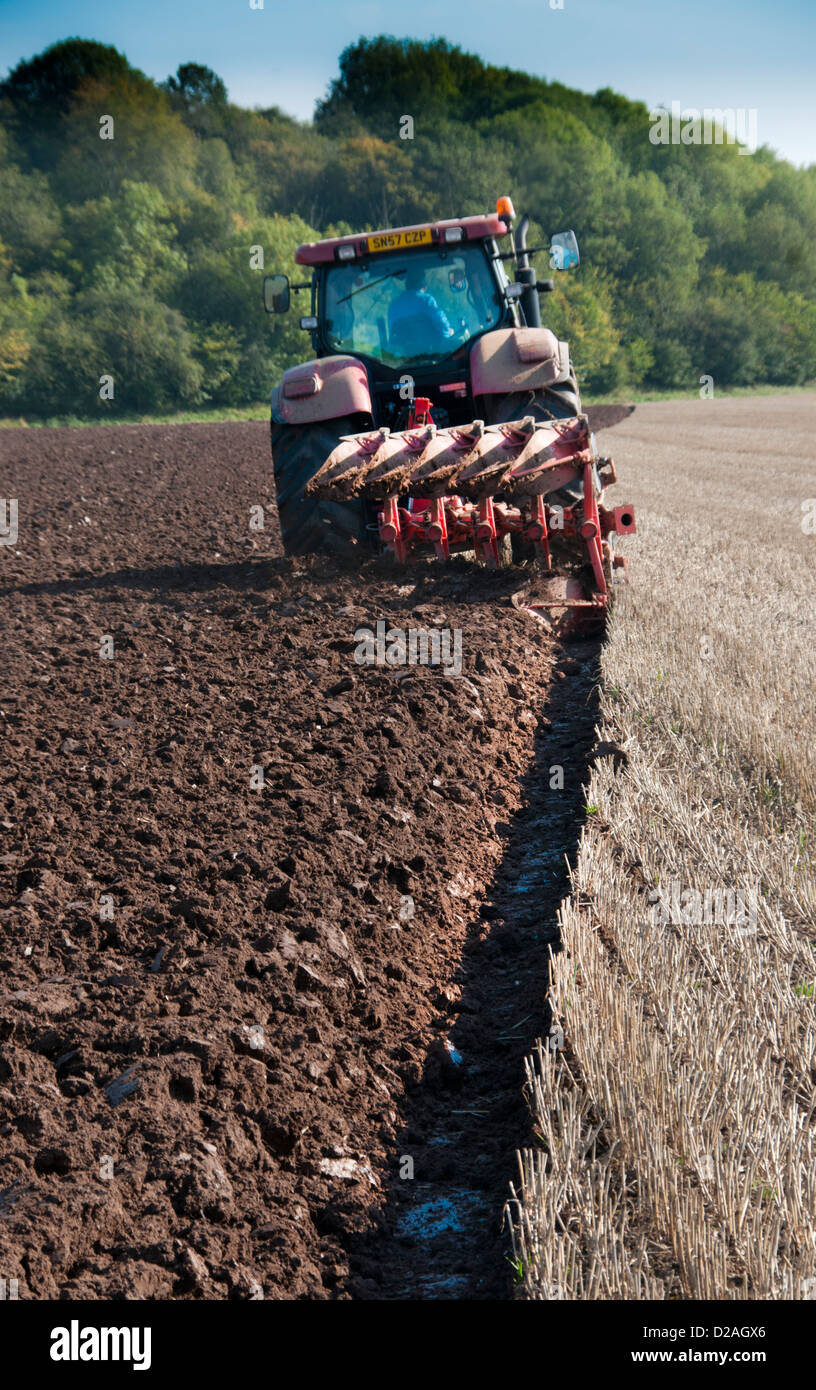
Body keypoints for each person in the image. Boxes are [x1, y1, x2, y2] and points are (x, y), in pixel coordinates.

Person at [388, 261, 454, 342]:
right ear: (425, 286)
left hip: (402, 352)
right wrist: (449, 332)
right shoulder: (426, 300)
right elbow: (442, 325)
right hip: (429, 350)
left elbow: (392, 333)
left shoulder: (394, 305)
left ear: (406, 285)